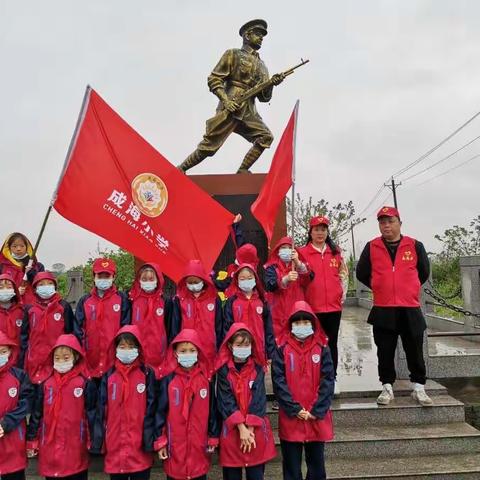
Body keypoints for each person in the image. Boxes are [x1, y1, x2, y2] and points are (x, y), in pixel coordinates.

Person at [178, 19, 284, 173]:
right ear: (247, 35)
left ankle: (242, 170)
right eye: (258, 34)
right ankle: (181, 169)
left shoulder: (263, 66)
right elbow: (214, 79)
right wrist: (225, 101)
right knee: (209, 146)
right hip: (232, 104)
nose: (261, 38)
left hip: (249, 110)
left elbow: (264, 98)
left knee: (265, 137)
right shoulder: (232, 54)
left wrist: (272, 83)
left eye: (263, 35)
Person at [356, 206, 432, 406]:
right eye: (382, 222)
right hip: (383, 308)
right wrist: (380, 285)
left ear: (399, 223)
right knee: (385, 350)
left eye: (390, 221)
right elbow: (362, 273)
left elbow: (423, 272)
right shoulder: (372, 247)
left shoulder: (415, 245)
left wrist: (408, 286)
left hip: (409, 307)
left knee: (414, 349)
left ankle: (418, 387)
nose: (386, 225)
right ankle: (387, 387)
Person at [272, 301, 334, 480]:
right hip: (292, 417)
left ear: (313, 324)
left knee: (316, 466)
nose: (302, 326)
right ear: (290, 325)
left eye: (306, 322)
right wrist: (294, 409)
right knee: (291, 467)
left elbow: (328, 379)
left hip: (316, 417)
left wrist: (317, 410)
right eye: (297, 323)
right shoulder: (282, 349)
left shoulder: (322, 348)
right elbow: (279, 381)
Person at [91, 325, 160, 480]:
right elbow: (101, 410)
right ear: (115, 349)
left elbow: (152, 408)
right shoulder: (109, 376)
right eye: (122, 346)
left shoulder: (147, 375)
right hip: (115, 445)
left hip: (140, 447)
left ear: (139, 349)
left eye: (131, 347)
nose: (126, 350)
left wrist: (151, 440)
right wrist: (98, 441)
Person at [26, 334, 97, 480]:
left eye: (66, 358)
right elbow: (37, 414)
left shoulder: (84, 383)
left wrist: (93, 440)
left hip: (76, 445)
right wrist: (32, 439)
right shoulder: (46, 383)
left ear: (75, 357)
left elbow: (92, 414)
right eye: (57, 358)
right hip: (50, 446)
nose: (61, 361)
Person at [156, 329, 219, 480]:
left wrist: (213, 436)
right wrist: (160, 441)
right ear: (175, 353)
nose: (187, 354)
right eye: (183, 351)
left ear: (198, 352)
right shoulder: (168, 381)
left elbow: (212, 411)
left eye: (192, 350)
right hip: (175, 449)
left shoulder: (205, 380)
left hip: (199, 447)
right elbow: (160, 412)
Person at [215, 323, 276, 479]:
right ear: (230, 345)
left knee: (256, 474)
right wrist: (241, 427)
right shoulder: (223, 371)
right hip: (233, 430)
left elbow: (259, 398)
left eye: (247, 345)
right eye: (239, 345)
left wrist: (249, 428)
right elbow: (225, 399)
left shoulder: (257, 368)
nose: (243, 348)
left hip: (254, 431)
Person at [299, 216, 348, 377]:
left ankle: (331, 377)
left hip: (333, 307)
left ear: (327, 232)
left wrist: (341, 295)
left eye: (323, 229)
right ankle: (313, 377)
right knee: (312, 343)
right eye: (316, 230)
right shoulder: (302, 252)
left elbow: (343, 276)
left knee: (331, 342)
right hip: (312, 307)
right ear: (310, 232)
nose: (320, 233)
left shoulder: (336, 252)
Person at [74, 258, 130, 379]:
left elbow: (126, 327)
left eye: (107, 276)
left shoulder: (122, 299)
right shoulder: (85, 301)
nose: (103, 279)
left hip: (114, 359)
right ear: (94, 277)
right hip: (90, 359)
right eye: (100, 276)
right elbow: (78, 329)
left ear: (113, 277)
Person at [171, 259, 223, 374]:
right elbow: (175, 326)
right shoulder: (180, 299)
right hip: (187, 352)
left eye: (196, 281)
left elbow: (219, 326)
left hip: (209, 350)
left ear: (203, 280)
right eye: (190, 282)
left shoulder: (214, 298)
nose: (193, 285)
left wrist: (220, 349)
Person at [24, 272, 75, 384]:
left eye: (49, 283)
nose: (45, 286)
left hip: (57, 360)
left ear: (54, 286)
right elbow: (24, 336)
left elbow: (70, 333)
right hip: (34, 361)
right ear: (35, 288)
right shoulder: (29, 309)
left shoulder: (63, 306)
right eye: (41, 284)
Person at [221, 264, 275, 364]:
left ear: (255, 279)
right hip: (239, 350)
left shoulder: (262, 301)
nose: (246, 281)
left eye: (250, 278)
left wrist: (270, 352)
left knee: (258, 377)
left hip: (259, 349)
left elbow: (268, 329)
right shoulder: (232, 302)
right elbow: (227, 328)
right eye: (242, 278)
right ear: (237, 280)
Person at [264, 236, 311, 345]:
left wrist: (298, 263)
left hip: (296, 310)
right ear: (278, 250)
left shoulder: (300, 266)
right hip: (277, 312)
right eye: (283, 247)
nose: (286, 250)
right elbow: (270, 285)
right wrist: (285, 279)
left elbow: (309, 278)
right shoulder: (271, 267)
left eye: (289, 247)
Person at [0, 331, 34, 480]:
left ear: (10, 352)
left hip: (13, 441)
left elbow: (26, 402)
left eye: (3, 351)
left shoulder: (19, 375)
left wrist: (6, 423)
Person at [129, 263, 172, 378]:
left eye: (151, 279)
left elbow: (169, 327)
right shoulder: (132, 300)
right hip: (137, 357)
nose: (148, 281)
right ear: (139, 280)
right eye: (144, 279)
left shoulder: (165, 301)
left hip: (159, 357)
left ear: (158, 280)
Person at [0, 232, 44, 304]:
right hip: (10, 306)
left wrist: (31, 272)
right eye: (14, 246)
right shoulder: (2, 266)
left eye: (22, 246)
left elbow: (42, 285)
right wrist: (15, 292)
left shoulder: (37, 266)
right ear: (9, 248)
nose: (18, 249)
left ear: (27, 247)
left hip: (32, 306)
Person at [0, 274, 27, 367]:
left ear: (14, 290)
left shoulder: (22, 311)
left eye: (9, 287)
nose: (5, 290)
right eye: (1, 287)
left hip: (19, 361)